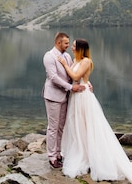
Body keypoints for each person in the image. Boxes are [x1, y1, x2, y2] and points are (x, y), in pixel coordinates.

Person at [57, 39, 132, 184]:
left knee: (88, 124)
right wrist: (84, 80)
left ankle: (92, 155)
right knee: (77, 125)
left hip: (83, 97)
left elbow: (76, 77)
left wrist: (64, 65)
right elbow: (74, 78)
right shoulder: (75, 60)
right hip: (76, 95)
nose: (72, 48)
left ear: (81, 48)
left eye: (74, 46)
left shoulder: (86, 61)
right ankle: (82, 152)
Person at [42, 32, 87, 169]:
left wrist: (86, 82)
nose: (68, 46)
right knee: (53, 127)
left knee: (61, 127)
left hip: (65, 96)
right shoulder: (49, 56)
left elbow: (73, 73)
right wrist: (71, 88)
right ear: (58, 43)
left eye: (69, 43)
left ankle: (58, 153)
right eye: (66, 43)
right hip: (53, 96)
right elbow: (53, 78)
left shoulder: (67, 56)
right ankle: (51, 157)